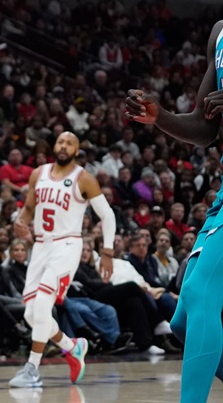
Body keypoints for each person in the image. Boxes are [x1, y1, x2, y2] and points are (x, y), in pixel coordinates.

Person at [126, 22, 223, 403]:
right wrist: (161, 116)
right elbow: (205, 126)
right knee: (183, 317)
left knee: (201, 291)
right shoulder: (219, 31)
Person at [8, 131, 115, 388]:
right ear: (54, 146)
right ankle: (72, 346)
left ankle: (32, 368)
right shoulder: (38, 174)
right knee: (32, 315)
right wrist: (20, 224)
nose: (64, 146)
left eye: (70, 143)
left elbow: (108, 215)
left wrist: (108, 252)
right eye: (61, 142)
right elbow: (29, 210)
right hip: (41, 246)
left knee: (44, 304)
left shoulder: (84, 179)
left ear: (76, 151)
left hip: (67, 244)